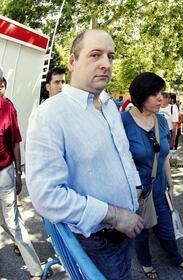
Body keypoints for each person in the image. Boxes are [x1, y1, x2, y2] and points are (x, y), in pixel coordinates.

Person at [25, 29, 144, 280]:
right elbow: (47, 196)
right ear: (72, 61)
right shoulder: (50, 115)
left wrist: (136, 189)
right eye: (95, 55)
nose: (106, 64)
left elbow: (124, 154)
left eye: (110, 56)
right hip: (98, 242)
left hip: (124, 230)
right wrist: (115, 216)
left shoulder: (110, 105)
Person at [121, 72, 183, 280]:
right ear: (141, 95)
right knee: (141, 233)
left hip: (160, 190)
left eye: (161, 93)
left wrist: (171, 187)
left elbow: (162, 158)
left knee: (167, 230)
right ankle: (146, 264)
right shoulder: (123, 121)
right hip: (138, 195)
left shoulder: (162, 121)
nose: (160, 98)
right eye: (155, 94)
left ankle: (176, 258)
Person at [0, 77, 43, 280]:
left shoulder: (7, 107)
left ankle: (35, 269)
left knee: (13, 221)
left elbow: (16, 143)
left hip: (4, 174)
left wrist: (18, 174)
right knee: (6, 221)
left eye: (1, 83)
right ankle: (19, 244)